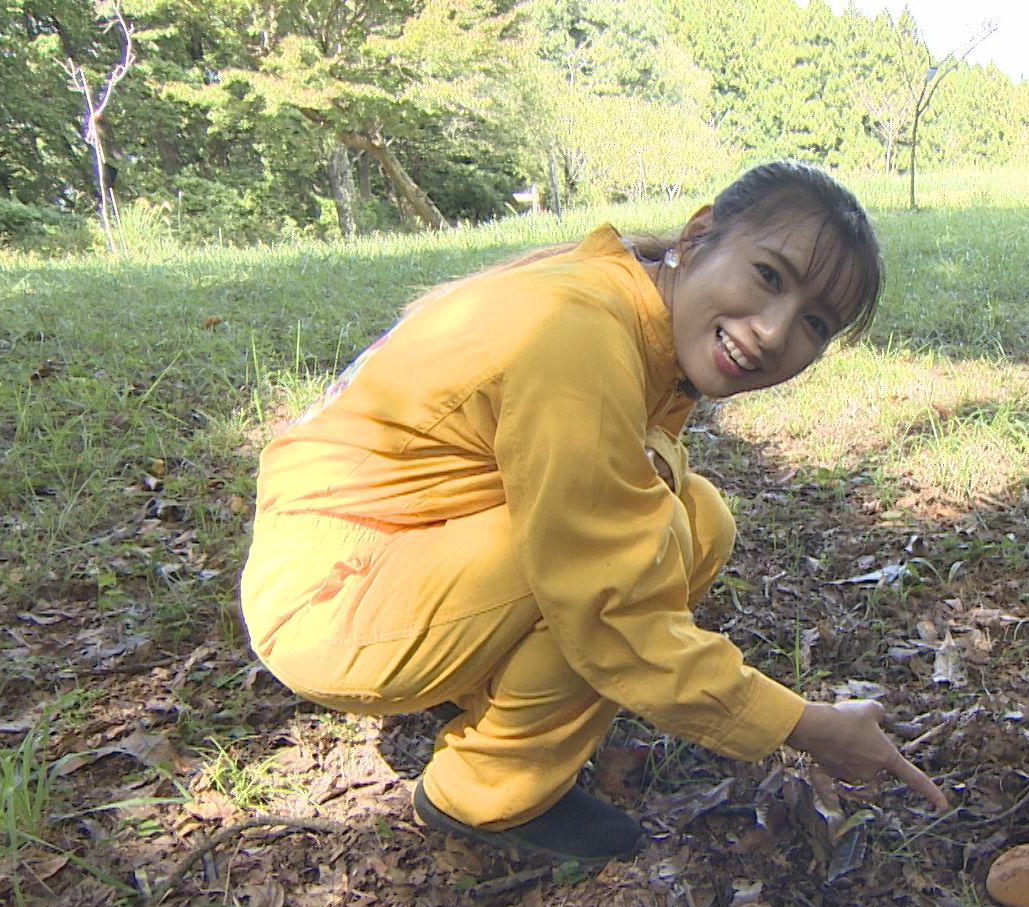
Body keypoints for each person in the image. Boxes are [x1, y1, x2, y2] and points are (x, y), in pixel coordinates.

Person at [239, 161, 949, 864]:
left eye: (815, 323)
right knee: (626, 561)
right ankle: (480, 794)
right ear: (701, 235)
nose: (771, 331)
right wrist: (809, 726)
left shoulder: (631, 304)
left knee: (696, 519)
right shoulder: (581, 332)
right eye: (769, 276)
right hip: (328, 597)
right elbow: (616, 608)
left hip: (398, 555)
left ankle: (495, 702)